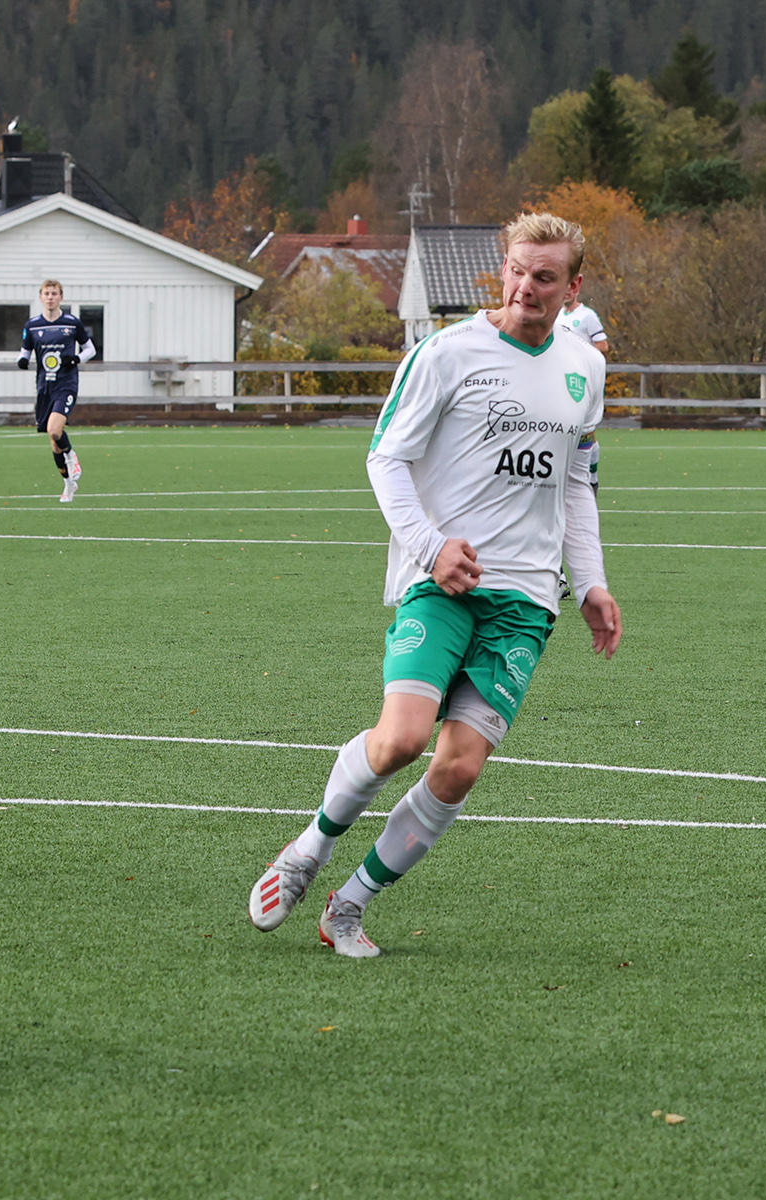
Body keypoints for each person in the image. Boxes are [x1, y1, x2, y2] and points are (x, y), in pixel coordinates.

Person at [245, 212, 622, 957]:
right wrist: (430, 548)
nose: (526, 287)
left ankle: (349, 906)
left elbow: (577, 480)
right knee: (402, 743)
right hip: (442, 584)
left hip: (525, 604)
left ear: (572, 287)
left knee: (458, 768)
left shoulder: (587, 367)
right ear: (503, 270)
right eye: (517, 270)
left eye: (545, 277)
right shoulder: (446, 353)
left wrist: (591, 583)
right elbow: (384, 459)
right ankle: (309, 849)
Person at [18, 280, 96, 502]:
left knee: (54, 430)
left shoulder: (71, 323)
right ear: (40, 297)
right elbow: (24, 351)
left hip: (66, 384)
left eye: (54, 293)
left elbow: (90, 348)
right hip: (45, 386)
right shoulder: (32, 325)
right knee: (54, 440)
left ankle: (71, 455)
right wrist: (22, 361)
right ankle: (68, 483)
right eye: (46, 293)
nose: (50, 297)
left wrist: (77, 358)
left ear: (61, 297)